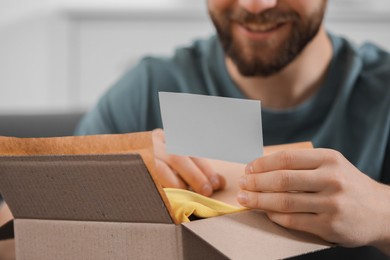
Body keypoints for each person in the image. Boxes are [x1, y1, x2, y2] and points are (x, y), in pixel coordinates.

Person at [75, 0, 390, 257]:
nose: (256, 6)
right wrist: (112, 181)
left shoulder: (383, 97)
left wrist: (381, 213)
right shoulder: (146, 90)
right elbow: (38, 227)